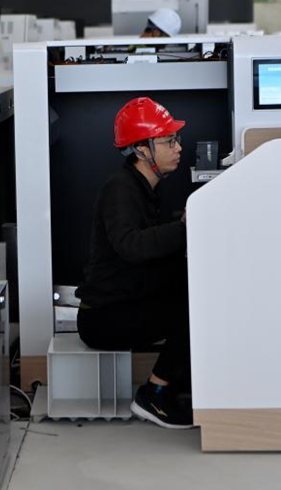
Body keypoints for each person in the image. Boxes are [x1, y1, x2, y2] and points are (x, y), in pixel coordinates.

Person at [75, 96, 194, 429]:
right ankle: (154, 394)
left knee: (193, 288)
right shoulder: (121, 190)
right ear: (142, 150)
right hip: (103, 317)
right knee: (192, 307)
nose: (178, 147)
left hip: (124, 303)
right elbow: (132, 247)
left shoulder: (143, 188)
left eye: (176, 139)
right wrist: (184, 228)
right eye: (168, 141)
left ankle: (176, 386)